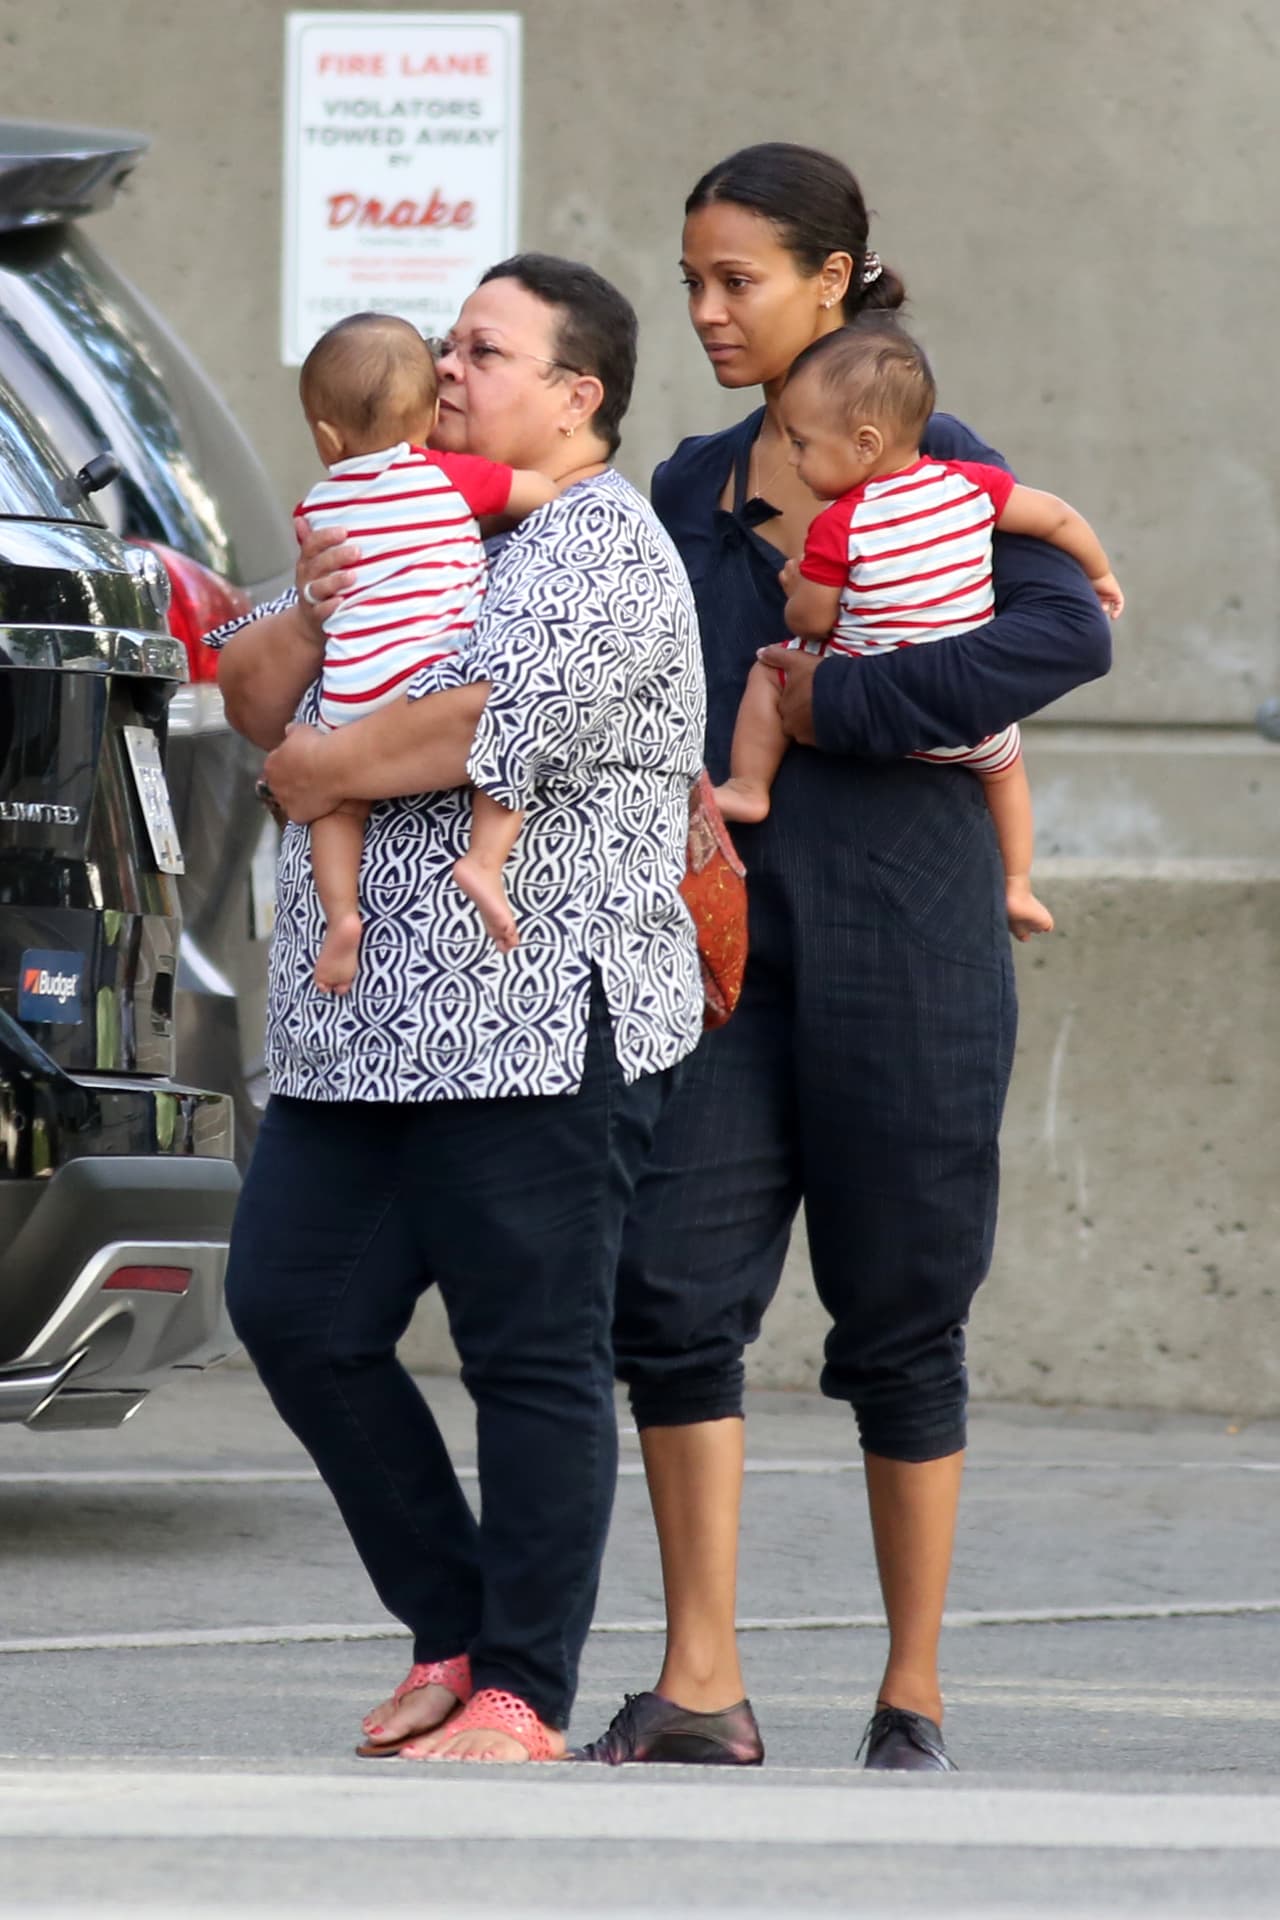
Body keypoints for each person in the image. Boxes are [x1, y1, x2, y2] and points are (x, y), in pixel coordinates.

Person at [575, 144, 1113, 1772]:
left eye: (737, 277)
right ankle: (701, 1682)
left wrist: (833, 707)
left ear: (835, 278)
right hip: (725, 951)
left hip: (916, 932)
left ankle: (914, 1693)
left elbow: (1068, 633)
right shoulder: (683, 484)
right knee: (670, 1294)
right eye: (691, 280)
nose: (708, 309)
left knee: (901, 1314)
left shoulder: (935, 455)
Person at [212, 254, 706, 1764]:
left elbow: (486, 721)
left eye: (485, 354)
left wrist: (317, 772)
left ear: (581, 394)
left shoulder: (600, 542)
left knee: (531, 1354)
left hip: (536, 1017)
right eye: (443, 348)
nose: (447, 374)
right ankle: (455, 1630)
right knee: (295, 1310)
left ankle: (523, 1693)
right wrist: (308, 611)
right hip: (361, 1036)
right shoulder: (391, 509)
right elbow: (249, 680)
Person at [717, 318, 1124, 941]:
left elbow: (814, 621)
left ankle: (748, 786)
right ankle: (1017, 886)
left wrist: (794, 588)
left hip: (856, 708)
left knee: (769, 670)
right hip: (963, 725)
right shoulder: (971, 483)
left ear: (865, 443)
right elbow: (1058, 519)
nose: (793, 460)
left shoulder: (839, 525)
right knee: (1007, 768)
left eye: (802, 444)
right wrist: (1099, 575)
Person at [295, 311, 557, 985]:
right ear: (432, 412)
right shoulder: (449, 477)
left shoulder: (316, 509)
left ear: (327, 435)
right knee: (502, 757)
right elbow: (541, 492)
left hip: (351, 694)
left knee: (336, 804)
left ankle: (342, 914)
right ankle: (484, 862)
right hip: (436, 677)